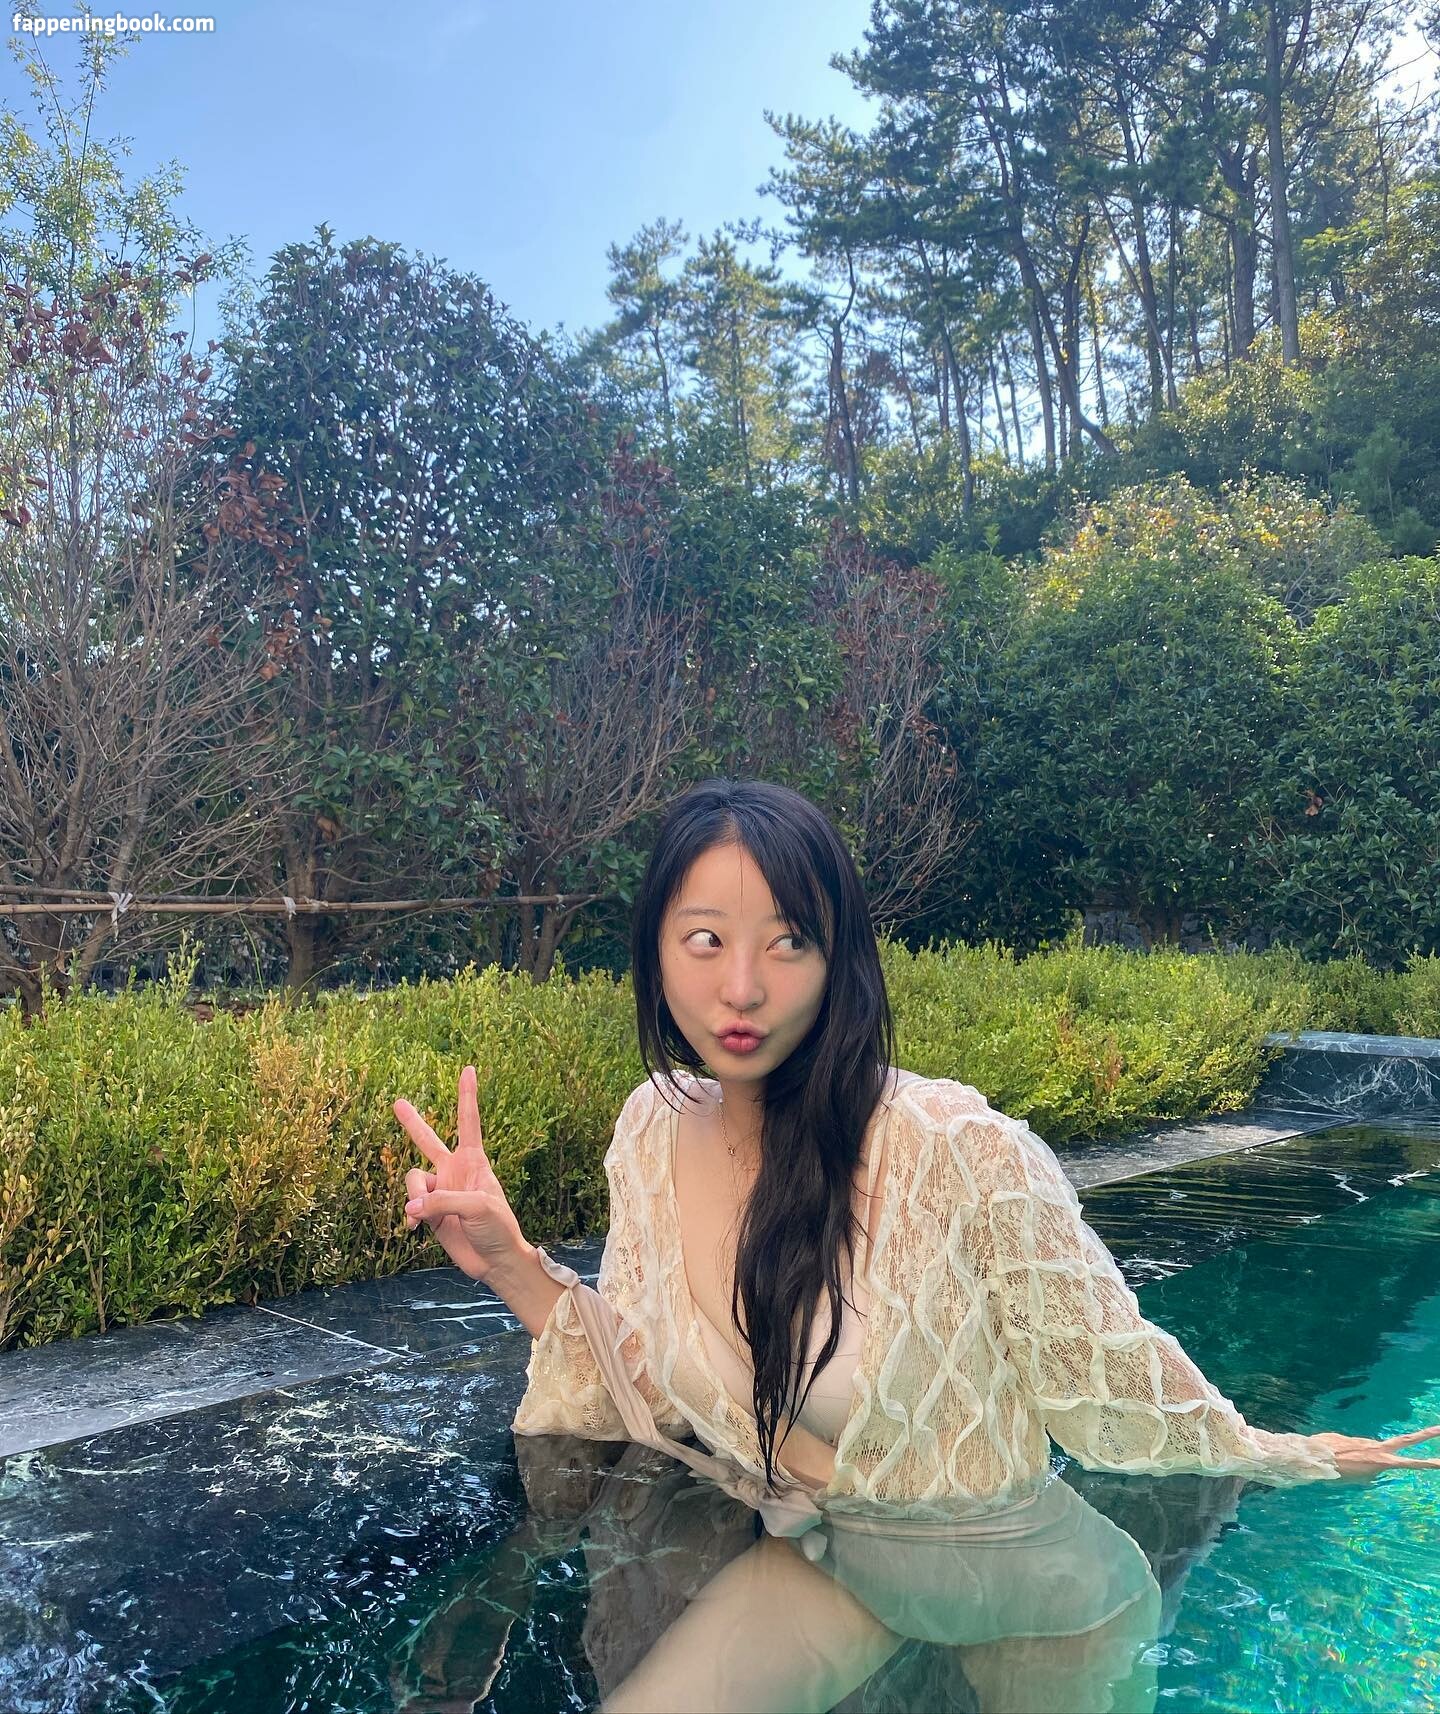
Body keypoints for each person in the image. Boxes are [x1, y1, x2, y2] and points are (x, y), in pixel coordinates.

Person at [393, 778, 1440, 1713]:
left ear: (838, 959)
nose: (742, 987)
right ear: (655, 953)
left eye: (788, 942)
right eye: (705, 939)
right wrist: (510, 1260)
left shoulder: (952, 1148)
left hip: (1033, 1601)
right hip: (827, 1562)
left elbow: (1109, 1367)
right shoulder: (651, 1131)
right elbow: (645, 1379)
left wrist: (1289, 1454)